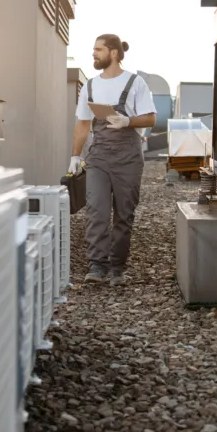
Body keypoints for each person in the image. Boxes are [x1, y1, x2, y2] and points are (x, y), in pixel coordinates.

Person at [69, 34, 156, 286]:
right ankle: (97, 265)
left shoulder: (135, 82)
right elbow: (83, 124)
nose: (93, 54)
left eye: (98, 49)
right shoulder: (91, 85)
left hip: (128, 156)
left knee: (123, 214)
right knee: (96, 210)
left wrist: (128, 120)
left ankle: (117, 267)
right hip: (99, 155)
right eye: (93, 49)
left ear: (114, 53)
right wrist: (75, 155)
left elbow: (150, 118)